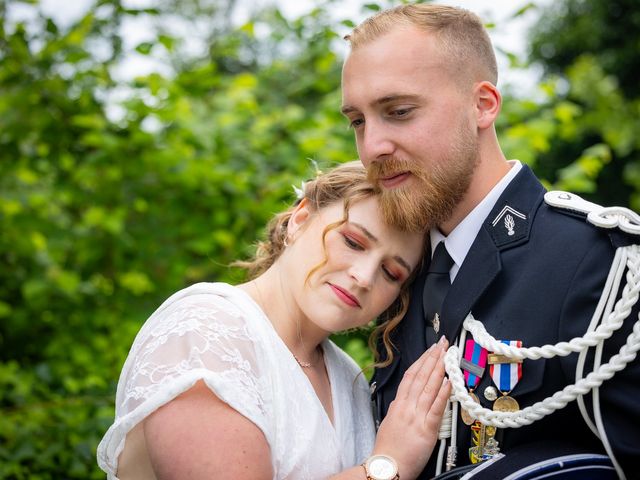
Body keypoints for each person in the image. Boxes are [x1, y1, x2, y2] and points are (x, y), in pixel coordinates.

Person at [340, 4, 640, 479]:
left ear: (483, 105)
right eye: (357, 121)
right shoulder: (393, 270)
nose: (372, 145)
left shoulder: (598, 261)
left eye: (398, 112)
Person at [97, 161, 453, 480]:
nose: (363, 276)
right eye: (353, 242)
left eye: (391, 273)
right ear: (299, 220)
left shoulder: (349, 379)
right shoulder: (206, 329)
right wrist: (388, 464)